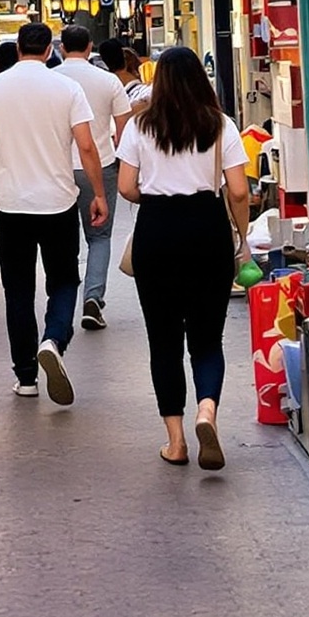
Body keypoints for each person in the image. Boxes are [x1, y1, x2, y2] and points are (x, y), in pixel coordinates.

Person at [115, 43, 250, 470]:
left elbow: (125, 187)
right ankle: (206, 411)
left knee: (164, 341)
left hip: (157, 230)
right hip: (207, 228)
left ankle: (175, 442)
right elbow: (240, 190)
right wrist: (241, 234)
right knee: (208, 338)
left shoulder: (140, 127)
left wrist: (155, 196)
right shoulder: (220, 125)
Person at [0, 22, 107, 404]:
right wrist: (97, 193)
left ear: (17, 47)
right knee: (63, 281)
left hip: (11, 204)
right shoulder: (67, 88)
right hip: (58, 202)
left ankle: (26, 376)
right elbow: (87, 147)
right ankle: (54, 339)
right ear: (49, 50)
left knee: (18, 291)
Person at [59, 25, 133, 333]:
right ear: (91, 47)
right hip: (100, 166)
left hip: (59, 168)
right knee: (99, 236)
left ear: (61, 48)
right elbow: (124, 126)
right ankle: (93, 297)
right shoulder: (109, 82)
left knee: (64, 238)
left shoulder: (52, 79)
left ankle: (62, 300)